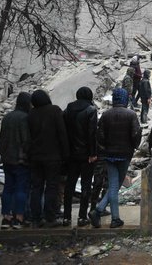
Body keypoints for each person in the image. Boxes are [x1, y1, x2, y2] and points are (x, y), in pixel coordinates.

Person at [89, 88, 141, 229]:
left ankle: (103, 213)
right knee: (115, 186)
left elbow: (99, 136)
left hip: (110, 155)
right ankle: (110, 216)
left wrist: (104, 149)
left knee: (113, 185)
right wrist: (134, 146)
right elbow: (136, 134)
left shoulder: (106, 115)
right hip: (125, 154)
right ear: (125, 99)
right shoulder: (131, 114)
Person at [27, 90, 69, 227]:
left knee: (36, 187)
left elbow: (29, 136)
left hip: (35, 157)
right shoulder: (55, 111)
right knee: (51, 187)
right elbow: (62, 133)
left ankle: (35, 218)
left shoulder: (31, 114)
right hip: (53, 157)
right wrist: (65, 154)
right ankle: (50, 217)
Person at [62, 87, 98, 227]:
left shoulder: (68, 110)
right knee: (86, 185)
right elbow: (92, 133)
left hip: (71, 155)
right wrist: (93, 153)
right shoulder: (91, 110)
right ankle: (82, 217)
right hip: (86, 155)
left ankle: (66, 217)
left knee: (69, 185)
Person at [0, 92, 32, 229]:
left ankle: (6, 217)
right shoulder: (25, 118)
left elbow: (1, 138)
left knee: (7, 188)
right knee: (21, 189)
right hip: (20, 160)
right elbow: (26, 141)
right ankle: (19, 217)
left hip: (7, 159)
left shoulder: (7, 117)